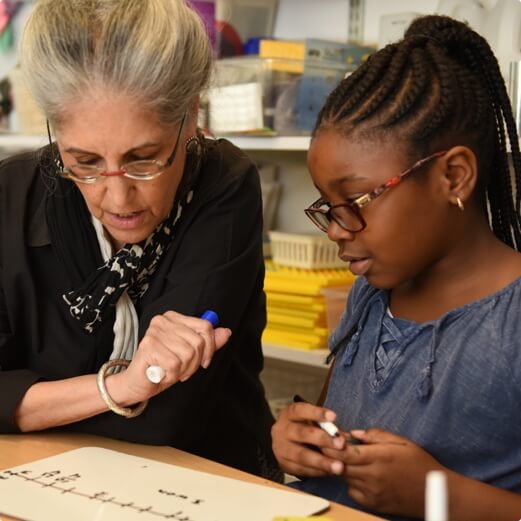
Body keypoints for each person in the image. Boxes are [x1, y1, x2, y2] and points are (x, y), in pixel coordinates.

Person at [0, 0, 281, 481]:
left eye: (144, 159)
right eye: (84, 162)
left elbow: (168, 416)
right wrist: (125, 386)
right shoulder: (12, 193)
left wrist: (30, 402)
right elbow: (148, 391)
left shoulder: (223, 185)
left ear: (190, 117)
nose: (116, 196)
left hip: (204, 481)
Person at [271, 14, 521, 520]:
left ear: (454, 176)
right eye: (327, 205)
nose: (337, 228)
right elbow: (333, 425)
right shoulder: (370, 293)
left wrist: (440, 497)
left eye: (355, 199)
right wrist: (298, 440)